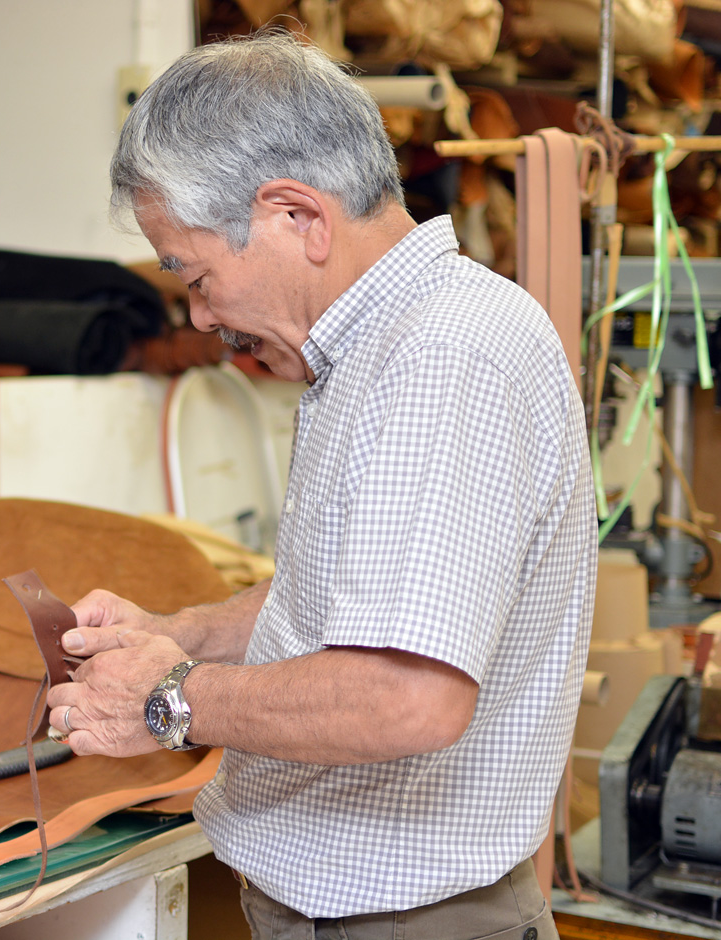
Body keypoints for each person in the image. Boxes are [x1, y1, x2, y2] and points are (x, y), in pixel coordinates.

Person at [45, 30, 596, 940]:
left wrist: (171, 698)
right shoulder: (382, 345)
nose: (199, 315)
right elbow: (351, 599)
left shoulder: (439, 360)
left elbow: (405, 695)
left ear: (296, 216)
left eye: (194, 274)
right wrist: (180, 635)